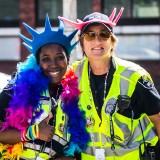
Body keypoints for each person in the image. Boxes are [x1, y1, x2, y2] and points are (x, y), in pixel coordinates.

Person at [59, 7, 160, 160]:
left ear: (112, 42)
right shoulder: (71, 76)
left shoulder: (134, 76)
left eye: (104, 34)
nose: (97, 40)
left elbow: (158, 119)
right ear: (82, 43)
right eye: (90, 35)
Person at [0, 14, 90, 160]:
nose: (54, 64)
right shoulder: (18, 87)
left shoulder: (74, 94)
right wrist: (33, 132)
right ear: (38, 62)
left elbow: (74, 146)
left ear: (68, 60)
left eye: (60, 57)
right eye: (46, 59)